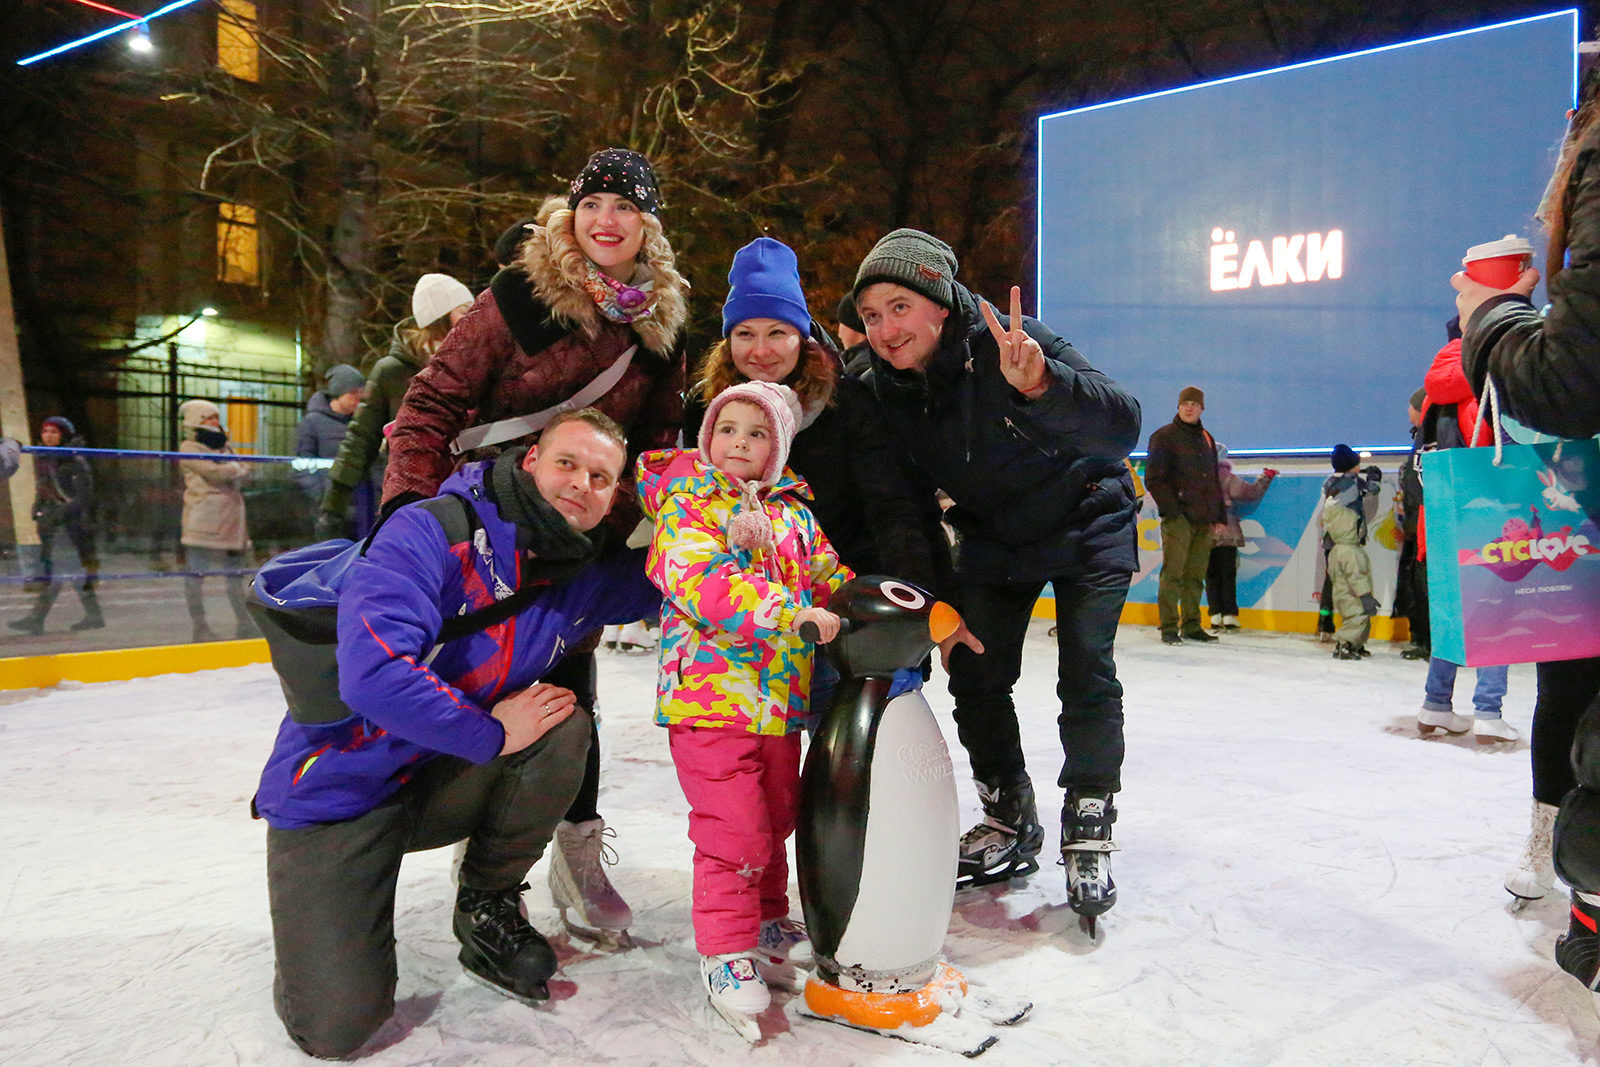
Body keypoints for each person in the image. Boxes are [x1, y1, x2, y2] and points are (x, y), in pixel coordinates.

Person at [254, 411, 660, 1059]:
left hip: (439, 780)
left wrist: (715, 513)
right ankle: (326, 918)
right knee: (337, 1027)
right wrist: (490, 733)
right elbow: (373, 675)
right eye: (567, 463)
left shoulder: (577, 574)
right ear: (530, 460)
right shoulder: (432, 531)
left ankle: (486, 905)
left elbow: (672, 583)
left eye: (601, 477)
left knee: (562, 726)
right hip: (343, 792)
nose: (581, 482)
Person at [379, 147, 690, 944]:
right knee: (468, 683)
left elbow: (653, 450)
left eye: (624, 207)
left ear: (647, 224)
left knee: (569, 694)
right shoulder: (520, 295)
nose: (606, 221)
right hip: (479, 529)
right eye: (593, 205)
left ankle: (571, 852)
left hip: (572, 537)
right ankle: (442, 843)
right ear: (572, 215)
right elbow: (433, 400)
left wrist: (604, 521)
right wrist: (409, 518)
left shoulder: (659, 329)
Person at [852, 229, 1141, 925]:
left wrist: (1043, 385)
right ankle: (1010, 816)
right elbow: (899, 505)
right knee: (974, 668)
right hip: (995, 534)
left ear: (940, 306)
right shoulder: (874, 388)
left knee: (1085, 666)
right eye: (870, 315)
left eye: (899, 307)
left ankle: (1089, 816)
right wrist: (937, 603)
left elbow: (1122, 423)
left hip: (1086, 517)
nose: (886, 329)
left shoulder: (1010, 340)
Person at [636, 380, 849, 1025]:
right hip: (708, 700)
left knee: (776, 814)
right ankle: (725, 950)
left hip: (777, 701)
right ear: (707, 435)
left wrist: (866, 603)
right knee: (735, 827)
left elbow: (829, 576)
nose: (738, 442)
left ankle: (765, 921)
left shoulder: (794, 516)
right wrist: (794, 615)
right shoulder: (687, 503)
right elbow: (704, 582)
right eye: (727, 428)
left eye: (756, 433)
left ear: (777, 449)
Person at [1454, 81, 1600, 964]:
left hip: (1572, 519)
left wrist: (1492, 317)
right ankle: (1548, 845)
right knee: (1565, 696)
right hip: (1564, 518)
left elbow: (1563, 376)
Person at [685, 236, 950, 600]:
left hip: (845, 595)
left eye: (777, 333)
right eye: (745, 334)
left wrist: (912, 597)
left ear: (801, 336)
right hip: (740, 607)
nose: (760, 351)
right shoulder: (706, 407)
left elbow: (891, 509)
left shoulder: (847, 404)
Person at [1412, 318, 1514, 741]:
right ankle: (1488, 711)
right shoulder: (1489, 384)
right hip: (1486, 513)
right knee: (1496, 610)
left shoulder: (1433, 399)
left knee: (1453, 613)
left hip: (1439, 520)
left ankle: (1435, 705)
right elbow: (1507, 446)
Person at [317, 273, 475, 539]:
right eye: (465, 310)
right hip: (411, 499)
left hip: (467, 496)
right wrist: (332, 506)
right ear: (440, 316)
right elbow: (361, 438)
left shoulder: (477, 365)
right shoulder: (392, 372)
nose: (474, 319)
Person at [1145, 386, 1225, 645]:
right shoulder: (1164, 437)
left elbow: (1213, 480)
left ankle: (1191, 624)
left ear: (1202, 408)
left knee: (1195, 576)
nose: (1189, 407)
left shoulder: (1207, 439)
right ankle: (1169, 627)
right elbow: (1154, 479)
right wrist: (1173, 511)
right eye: (1185, 403)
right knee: (1173, 574)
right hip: (1178, 518)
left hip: (1204, 518)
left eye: (1194, 403)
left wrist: (1218, 516)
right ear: (1178, 406)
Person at [8, 416, 102, 634]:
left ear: (64, 435)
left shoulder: (75, 462)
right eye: (45, 431)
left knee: (57, 571)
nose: (48, 436)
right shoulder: (48, 458)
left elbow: (83, 499)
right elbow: (45, 488)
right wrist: (38, 508)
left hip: (72, 527)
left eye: (54, 432)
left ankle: (37, 618)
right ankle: (93, 615)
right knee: (70, 572)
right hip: (54, 526)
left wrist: (57, 514)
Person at [176, 399, 254, 642]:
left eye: (215, 417)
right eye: (208, 418)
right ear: (196, 422)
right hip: (204, 522)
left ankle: (243, 623)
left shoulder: (223, 446)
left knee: (236, 577)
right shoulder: (189, 447)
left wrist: (234, 469)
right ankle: (200, 626)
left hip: (232, 522)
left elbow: (244, 470)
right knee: (196, 576)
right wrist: (235, 469)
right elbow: (215, 472)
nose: (215, 422)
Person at [1321, 445, 1382, 661]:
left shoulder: (1330, 485)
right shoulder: (1353, 483)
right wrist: (1374, 478)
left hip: (1335, 549)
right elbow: (1371, 490)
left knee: (1345, 599)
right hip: (1349, 548)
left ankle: (1355, 643)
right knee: (1357, 607)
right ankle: (1346, 644)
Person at [1205, 444, 1276, 631]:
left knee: (1211, 574)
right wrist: (1266, 478)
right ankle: (1229, 614)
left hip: (1205, 534)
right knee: (1227, 574)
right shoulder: (1229, 478)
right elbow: (1251, 493)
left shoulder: (1199, 478)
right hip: (1227, 533)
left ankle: (1215, 614)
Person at [294, 363, 365, 510]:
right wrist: (322, 498)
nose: (358, 398)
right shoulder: (312, 422)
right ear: (338, 393)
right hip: (327, 505)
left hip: (360, 504)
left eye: (361, 393)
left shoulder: (362, 422)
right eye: (353, 393)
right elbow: (302, 465)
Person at [1393, 387, 1431, 659]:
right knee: (1416, 582)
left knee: (1423, 582)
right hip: (1415, 525)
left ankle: (1427, 640)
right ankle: (1421, 636)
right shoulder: (1420, 438)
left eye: (1411, 407)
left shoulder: (1428, 440)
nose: (1408, 412)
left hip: (1424, 523)